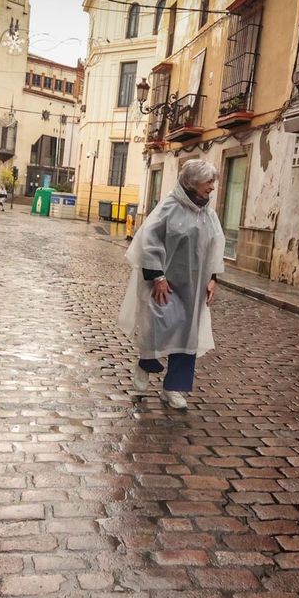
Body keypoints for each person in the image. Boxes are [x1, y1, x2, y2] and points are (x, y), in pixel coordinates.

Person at [118, 159, 224, 410]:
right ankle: (144, 370)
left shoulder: (208, 212)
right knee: (157, 329)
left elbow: (215, 246)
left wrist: (212, 278)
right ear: (192, 181)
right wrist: (158, 277)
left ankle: (173, 388)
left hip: (194, 287)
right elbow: (148, 242)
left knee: (187, 335)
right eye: (208, 182)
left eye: (213, 182)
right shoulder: (169, 207)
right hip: (163, 284)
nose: (212, 187)